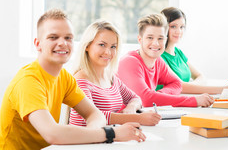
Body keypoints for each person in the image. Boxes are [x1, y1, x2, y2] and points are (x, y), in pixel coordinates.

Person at [0, 9, 145, 150]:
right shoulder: (28, 81)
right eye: (53, 37)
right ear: (38, 44)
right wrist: (111, 134)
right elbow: (52, 134)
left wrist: (92, 135)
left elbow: (95, 114)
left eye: (68, 37)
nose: (63, 43)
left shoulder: (64, 77)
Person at [69, 20, 161, 127]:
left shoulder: (111, 78)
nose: (108, 52)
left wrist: (131, 107)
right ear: (87, 46)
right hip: (84, 141)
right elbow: (92, 116)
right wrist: (138, 118)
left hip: (107, 138)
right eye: (102, 45)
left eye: (113, 47)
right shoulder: (80, 80)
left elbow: (135, 98)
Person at [117, 13, 214, 107]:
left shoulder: (158, 61)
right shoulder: (129, 62)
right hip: (117, 121)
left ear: (165, 39)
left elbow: (177, 84)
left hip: (140, 117)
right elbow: (145, 99)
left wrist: (159, 94)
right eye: (150, 38)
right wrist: (193, 100)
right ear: (140, 39)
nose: (156, 43)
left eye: (160, 38)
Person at [159, 7, 228, 94]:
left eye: (182, 27)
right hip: (166, 105)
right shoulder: (158, 56)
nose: (179, 31)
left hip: (184, 100)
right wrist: (222, 89)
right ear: (164, 27)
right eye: (173, 26)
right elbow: (178, 85)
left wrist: (192, 86)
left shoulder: (178, 52)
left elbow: (200, 76)